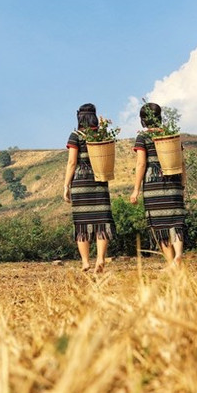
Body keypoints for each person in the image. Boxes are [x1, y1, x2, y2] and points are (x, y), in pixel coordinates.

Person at [129, 102, 187, 267]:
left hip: (153, 185)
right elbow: (182, 162)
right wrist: (183, 183)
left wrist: (135, 190)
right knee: (176, 221)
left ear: (144, 120)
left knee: (159, 225)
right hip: (173, 182)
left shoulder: (143, 137)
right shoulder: (171, 135)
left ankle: (170, 262)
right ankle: (178, 256)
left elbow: (141, 164)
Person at [63, 103, 115, 273]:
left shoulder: (75, 136)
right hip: (99, 180)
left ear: (79, 118)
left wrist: (66, 185)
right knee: (102, 222)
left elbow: (72, 162)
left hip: (81, 183)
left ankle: (86, 262)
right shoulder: (101, 135)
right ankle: (100, 259)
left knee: (82, 224)